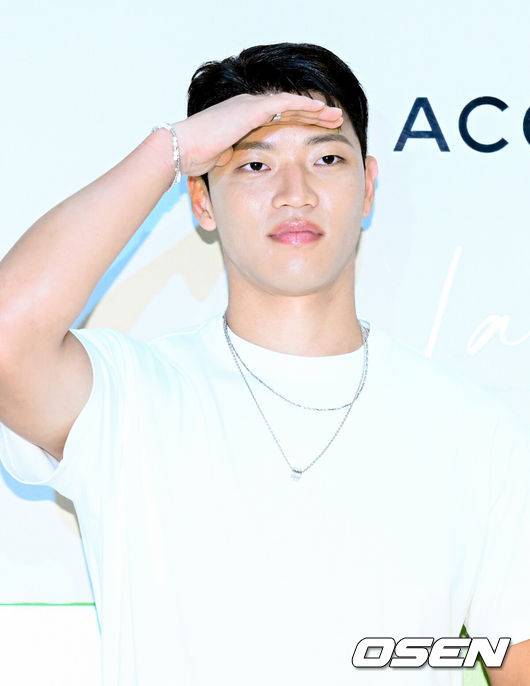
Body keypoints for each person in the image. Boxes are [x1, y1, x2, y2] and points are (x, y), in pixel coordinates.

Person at [0, 41, 529, 686]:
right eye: (255, 163)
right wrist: (171, 149)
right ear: (201, 199)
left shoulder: (473, 430)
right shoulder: (128, 396)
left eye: (327, 159)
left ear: (368, 186)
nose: (294, 193)